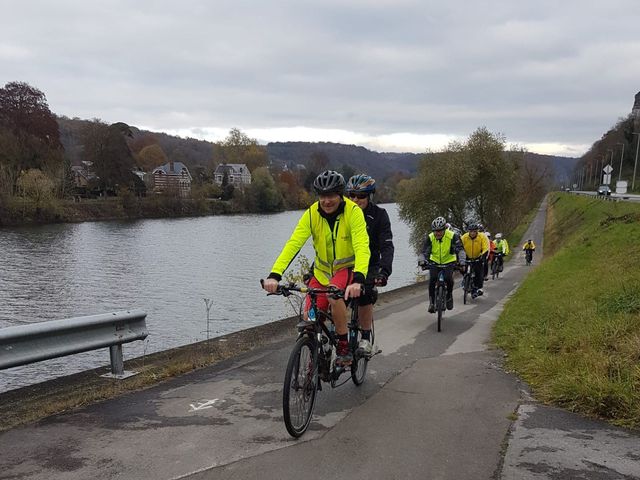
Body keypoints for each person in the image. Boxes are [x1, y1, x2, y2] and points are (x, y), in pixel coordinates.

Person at [262, 170, 370, 366]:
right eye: (322, 196)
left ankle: (344, 347)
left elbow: (362, 246)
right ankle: (321, 347)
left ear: (340, 195)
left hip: (345, 270)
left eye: (331, 196)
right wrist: (275, 275)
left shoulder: (353, 212)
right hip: (321, 272)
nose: (326, 201)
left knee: (333, 295)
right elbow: (294, 243)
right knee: (309, 318)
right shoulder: (312, 214)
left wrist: (359, 279)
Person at [345, 174, 394, 355]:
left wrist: (384, 272)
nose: (356, 200)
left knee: (365, 295)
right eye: (352, 195)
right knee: (333, 296)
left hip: (370, 265)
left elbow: (387, 246)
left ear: (370, 196)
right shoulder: (343, 214)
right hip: (345, 264)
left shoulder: (379, 215)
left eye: (361, 196)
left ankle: (365, 337)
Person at [418, 216, 465, 313]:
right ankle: (431, 302)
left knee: (448, 279)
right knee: (432, 280)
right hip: (434, 261)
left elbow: (460, 249)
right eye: (435, 231)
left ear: (444, 229)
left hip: (449, 261)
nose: (437, 233)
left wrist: (461, 261)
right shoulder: (430, 237)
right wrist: (422, 260)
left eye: (439, 231)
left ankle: (449, 296)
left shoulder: (452, 236)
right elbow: (423, 251)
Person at [460, 223, 489, 297]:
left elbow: (486, 248)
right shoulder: (464, 237)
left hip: (477, 257)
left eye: (474, 231)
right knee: (462, 269)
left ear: (477, 231)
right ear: (468, 231)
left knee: (478, 274)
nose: (472, 233)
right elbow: (459, 247)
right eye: (471, 231)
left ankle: (476, 288)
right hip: (467, 257)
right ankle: (465, 280)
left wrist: (483, 257)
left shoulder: (482, 236)